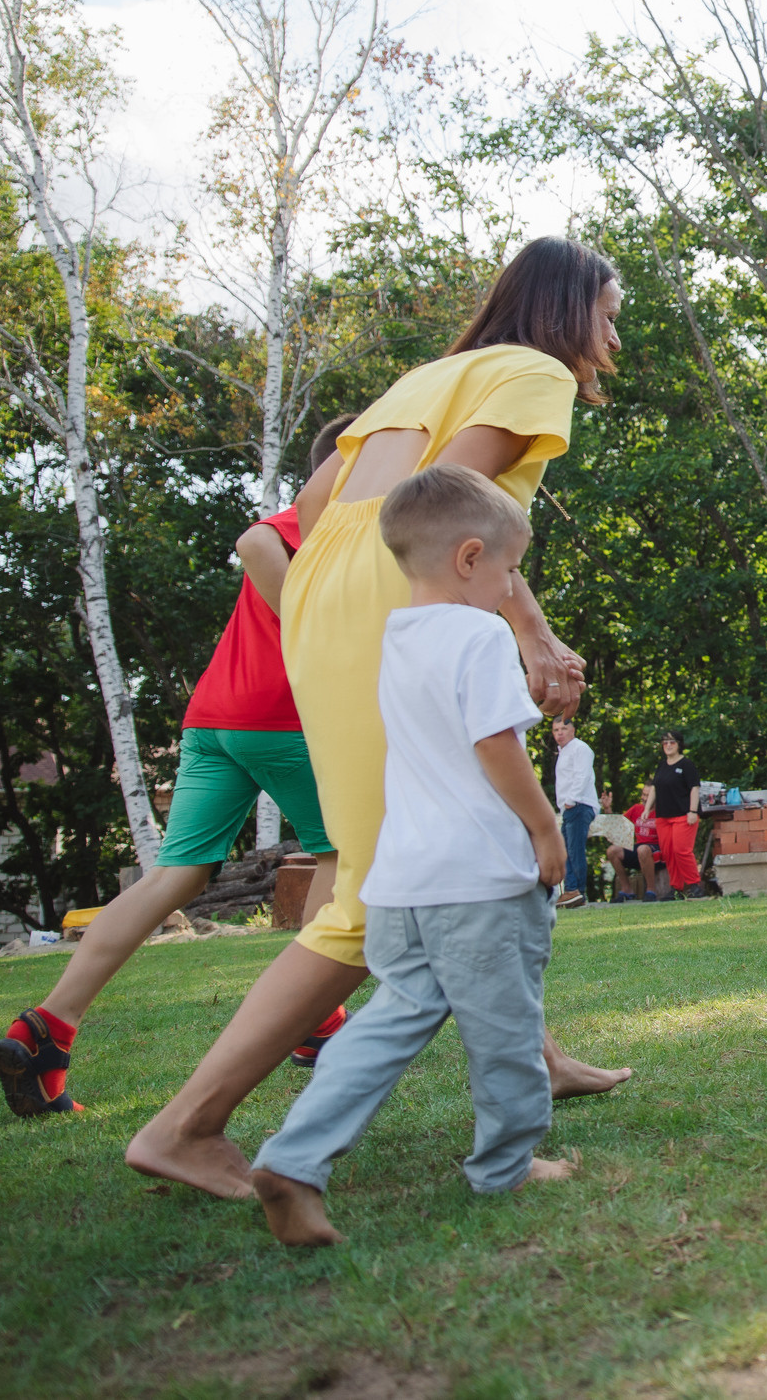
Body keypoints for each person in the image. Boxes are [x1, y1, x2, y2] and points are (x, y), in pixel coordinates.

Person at [126, 237, 632, 1201]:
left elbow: (316, 508)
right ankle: (187, 1125)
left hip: (324, 592)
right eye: (607, 313)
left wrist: (349, 591)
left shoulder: (430, 375)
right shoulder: (533, 372)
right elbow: (448, 507)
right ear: (568, 311)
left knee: (423, 848)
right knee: (381, 886)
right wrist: (530, 632)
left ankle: (537, 1057)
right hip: (393, 590)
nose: (612, 334)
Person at [0, 414, 357, 1118]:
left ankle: (47, 1029)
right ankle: (317, 1023)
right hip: (282, 719)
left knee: (174, 874)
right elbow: (255, 540)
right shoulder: (325, 517)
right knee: (337, 857)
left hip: (213, 717)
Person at [250, 465, 575, 1246]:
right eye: (508, 568)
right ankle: (507, 1164)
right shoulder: (478, 635)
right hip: (478, 882)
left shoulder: (396, 637)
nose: (510, 587)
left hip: (400, 885)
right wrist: (543, 826)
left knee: (388, 1022)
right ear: (470, 558)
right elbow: (495, 744)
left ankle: (294, 1157)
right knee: (504, 1025)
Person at [646, 731, 704, 900]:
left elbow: (695, 788)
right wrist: (646, 809)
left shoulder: (686, 764)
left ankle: (694, 885)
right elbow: (654, 788)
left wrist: (693, 811)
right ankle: (676, 888)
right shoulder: (662, 765)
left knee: (682, 850)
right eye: (665, 742)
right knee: (668, 852)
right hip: (663, 816)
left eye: (672, 742)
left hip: (683, 815)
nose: (668, 745)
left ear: (679, 744)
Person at [551, 718, 598, 907]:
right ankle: (571, 890)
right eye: (555, 729)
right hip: (569, 807)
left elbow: (583, 775)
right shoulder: (564, 752)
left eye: (564, 728)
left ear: (573, 730)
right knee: (566, 851)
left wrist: (571, 800)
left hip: (579, 805)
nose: (559, 733)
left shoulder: (580, 748)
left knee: (574, 850)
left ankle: (578, 891)